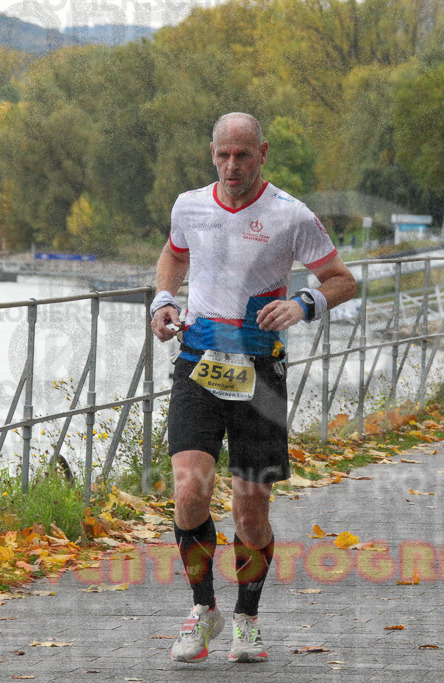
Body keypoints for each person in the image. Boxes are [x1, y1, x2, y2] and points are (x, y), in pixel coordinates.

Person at [149, 112, 357, 664]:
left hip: (260, 374)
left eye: (243, 155)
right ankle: (203, 608)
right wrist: (164, 300)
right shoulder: (190, 205)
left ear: (262, 153)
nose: (232, 166)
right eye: (223, 155)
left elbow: (343, 280)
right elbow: (175, 253)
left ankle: (247, 619)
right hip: (198, 363)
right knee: (188, 492)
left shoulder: (291, 214)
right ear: (211, 153)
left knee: (250, 512)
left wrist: (304, 304)